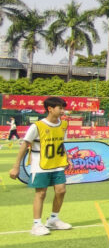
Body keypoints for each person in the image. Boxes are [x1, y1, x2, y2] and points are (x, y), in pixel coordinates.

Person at [8, 96, 74, 236]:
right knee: (41, 193)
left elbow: (61, 144)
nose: (63, 111)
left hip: (58, 164)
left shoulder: (63, 125)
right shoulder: (37, 126)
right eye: (60, 108)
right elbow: (24, 145)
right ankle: (36, 224)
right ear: (50, 109)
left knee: (61, 190)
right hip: (40, 165)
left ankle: (53, 219)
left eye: (63, 108)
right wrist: (16, 166)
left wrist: (67, 158)